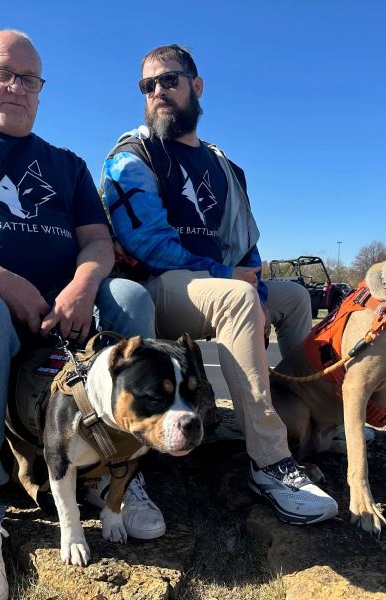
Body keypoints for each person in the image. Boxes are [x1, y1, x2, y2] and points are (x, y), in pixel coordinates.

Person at [0, 30, 159, 600]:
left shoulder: (65, 165)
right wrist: (1, 281)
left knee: (134, 300)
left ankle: (119, 474)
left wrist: (84, 285)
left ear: (42, 90)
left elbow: (96, 242)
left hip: (57, 304)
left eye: (30, 79)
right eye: (4, 73)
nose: (18, 87)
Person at [102, 44, 339, 528]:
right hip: (156, 287)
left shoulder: (224, 165)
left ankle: (320, 417)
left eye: (169, 80)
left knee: (294, 297)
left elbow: (244, 240)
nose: (158, 92)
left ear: (196, 85)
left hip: (218, 283)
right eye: (147, 86)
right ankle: (270, 462)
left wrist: (252, 275)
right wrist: (231, 278)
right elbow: (145, 241)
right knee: (236, 298)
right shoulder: (133, 154)